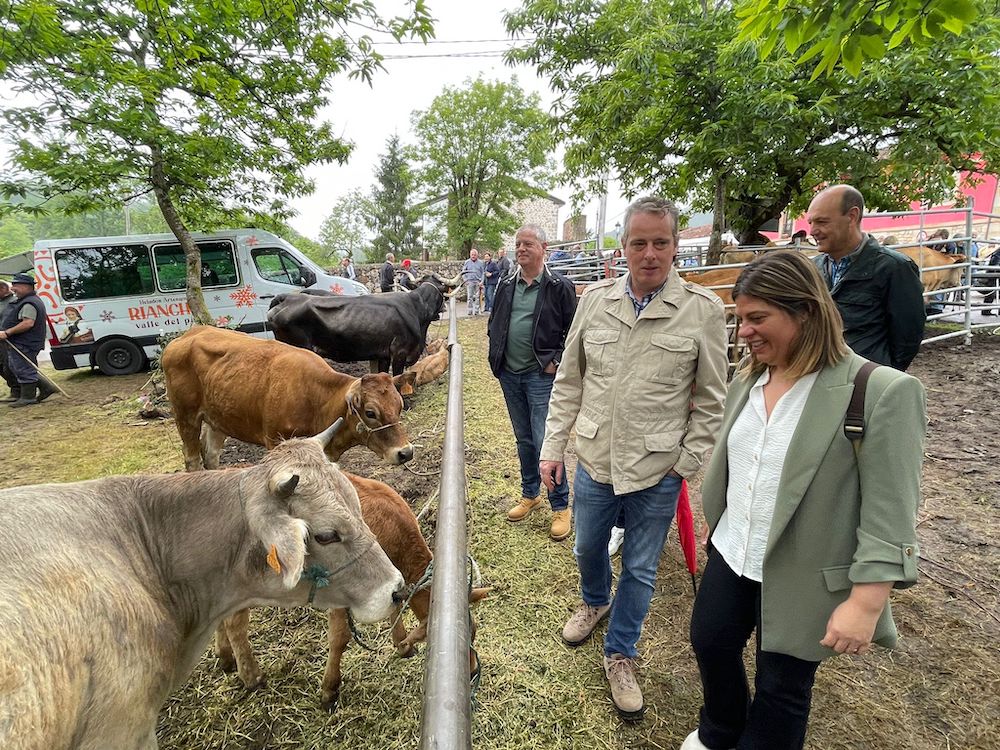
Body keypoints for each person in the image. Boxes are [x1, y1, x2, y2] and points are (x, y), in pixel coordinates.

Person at [681, 250, 925, 750]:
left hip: (804, 567)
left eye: (756, 318)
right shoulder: (749, 379)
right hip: (733, 550)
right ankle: (721, 730)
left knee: (783, 687)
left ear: (806, 311)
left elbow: (891, 509)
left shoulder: (879, 392)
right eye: (740, 317)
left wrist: (866, 601)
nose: (743, 331)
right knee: (710, 641)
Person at [539, 196, 729, 720]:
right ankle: (595, 600)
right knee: (586, 545)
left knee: (642, 568)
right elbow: (570, 381)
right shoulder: (595, 301)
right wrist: (553, 445)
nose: (650, 253)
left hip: (658, 468)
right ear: (622, 247)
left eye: (660, 242)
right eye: (639, 242)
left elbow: (713, 399)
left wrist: (684, 464)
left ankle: (621, 652)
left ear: (674, 246)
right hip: (596, 459)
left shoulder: (702, 311)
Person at [488, 224, 577, 542]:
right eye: (517, 244)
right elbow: (494, 320)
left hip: (541, 376)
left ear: (544, 247)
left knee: (544, 442)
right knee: (524, 439)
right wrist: (495, 351)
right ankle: (530, 493)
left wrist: (556, 359)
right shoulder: (506, 283)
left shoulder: (558, 286)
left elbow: (574, 332)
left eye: (527, 243)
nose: (520, 248)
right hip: (509, 374)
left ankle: (560, 505)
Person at [808, 184, 925, 371]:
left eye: (822, 222)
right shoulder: (813, 268)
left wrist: (882, 375)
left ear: (852, 216)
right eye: (811, 223)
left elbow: (908, 336)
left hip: (864, 381)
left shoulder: (894, 268)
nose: (813, 231)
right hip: (820, 376)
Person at [0, 273, 57, 407]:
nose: (13, 288)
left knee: (23, 369)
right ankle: (46, 388)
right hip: (23, 342)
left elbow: (28, 323)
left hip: (25, 342)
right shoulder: (27, 301)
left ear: (27, 286)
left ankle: (28, 397)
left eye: (16, 285)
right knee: (20, 367)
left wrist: (7, 332)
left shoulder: (29, 303)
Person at [0, 280, 17, 401]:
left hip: (8, 339)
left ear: (3, 289)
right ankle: (15, 389)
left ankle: (17, 390)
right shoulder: (2, 302)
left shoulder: (12, 302)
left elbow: (8, 321)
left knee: (9, 366)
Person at [462, 248, 485, 316]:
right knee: (470, 297)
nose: (473, 256)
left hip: (478, 282)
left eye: (475, 255)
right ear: (470, 255)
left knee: (477, 297)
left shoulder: (481, 263)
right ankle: (470, 310)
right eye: (472, 255)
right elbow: (463, 272)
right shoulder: (467, 262)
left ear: (477, 255)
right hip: (470, 282)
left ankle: (477, 311)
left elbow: (483, 273)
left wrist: (482, 281)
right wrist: (465, 280)